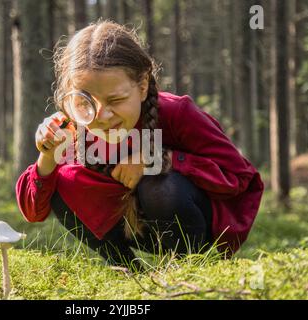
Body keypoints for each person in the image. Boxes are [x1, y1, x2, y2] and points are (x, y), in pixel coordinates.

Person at [16, 21, 264, 271]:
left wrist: (160, 159)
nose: (102, 115)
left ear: (143, 86)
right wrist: (47, 156)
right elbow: (33, 213)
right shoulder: (73, 127)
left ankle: (189, 270)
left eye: (116, 99)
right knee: (64, 179)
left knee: (157, 182)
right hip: (129, 225)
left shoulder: (177, 113)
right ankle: (129, 272)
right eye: (86, 101)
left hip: (191, 222)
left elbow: (241, 178)